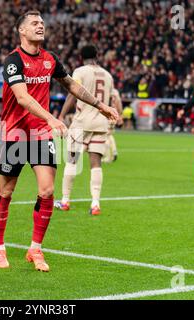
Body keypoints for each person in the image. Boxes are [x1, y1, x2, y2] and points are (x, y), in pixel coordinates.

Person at [0, 11, 119, 272]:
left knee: (48, 191)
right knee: (5, 192)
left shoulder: (50, 59)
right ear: (22, 31)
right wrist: (52, 118)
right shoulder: (13, 61)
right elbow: (23, 98)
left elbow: (71, 85)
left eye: (42, 23)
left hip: (41, 134)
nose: (40, 26)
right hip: (14, 134)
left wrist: (101, 105)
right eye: (34, 24)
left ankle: (35, 248)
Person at [55, 44, 116, 216]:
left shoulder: (80, 71)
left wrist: (61, 115)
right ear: (97, 55)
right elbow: (110, 99)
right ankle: (95, 204)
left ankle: (65, 200)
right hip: (100, 123)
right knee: (96, 163)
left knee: (72, 160)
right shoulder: (108, 75)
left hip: (81, 123)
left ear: (81, 57)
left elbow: (73, 93)